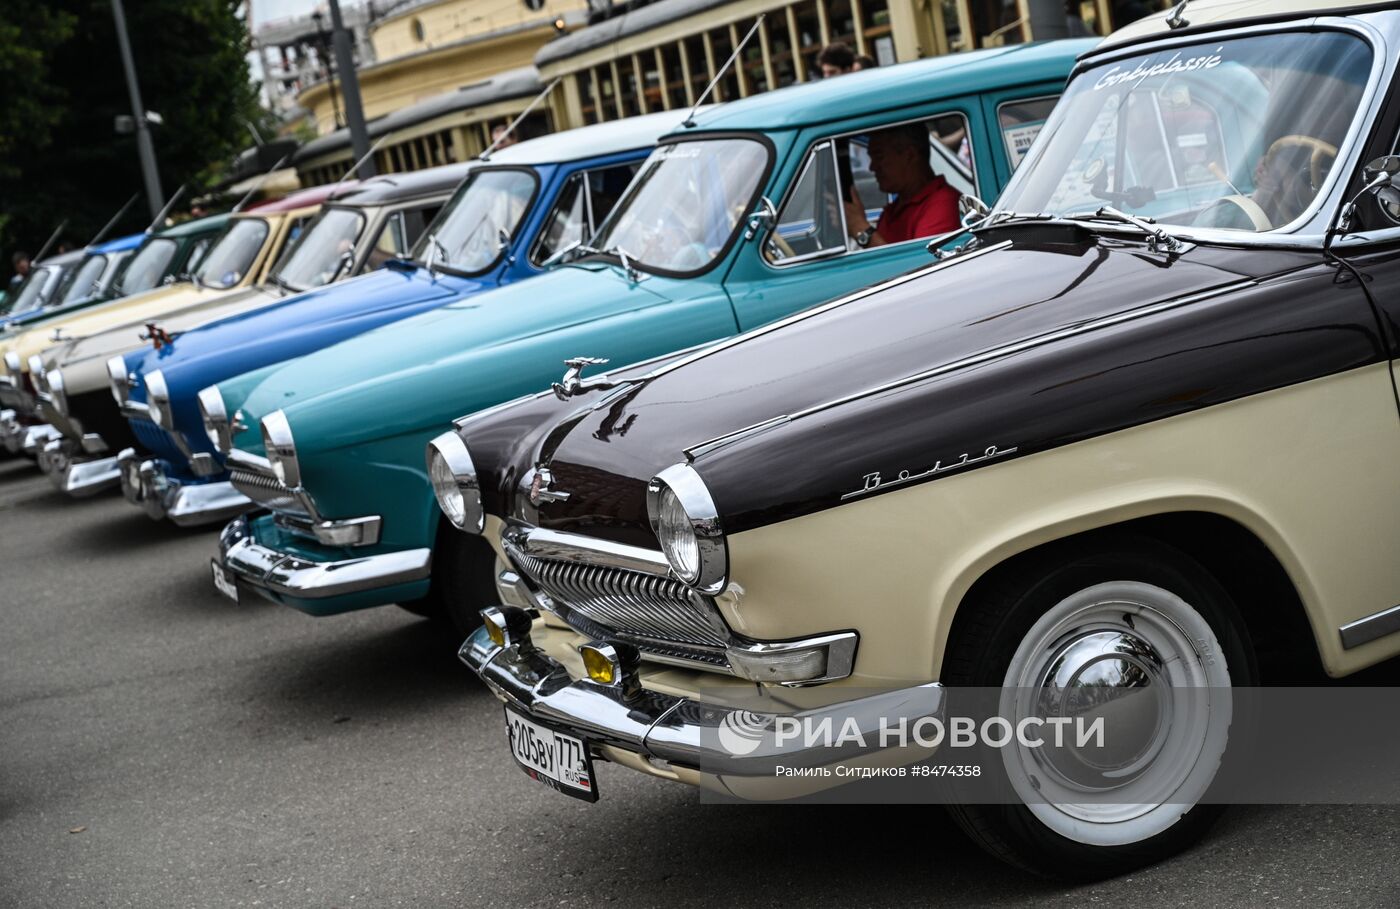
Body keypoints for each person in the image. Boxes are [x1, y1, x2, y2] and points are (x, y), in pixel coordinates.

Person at [844, 122, 962, 248]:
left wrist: (860, 228)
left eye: (879, 156)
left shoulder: (943, 204)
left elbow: (922, 264)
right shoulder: (896, 208)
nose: (872, 167)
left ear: (909, 155)